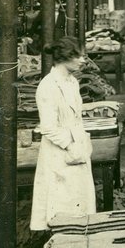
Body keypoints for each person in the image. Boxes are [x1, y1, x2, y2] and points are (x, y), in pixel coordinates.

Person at [30, 38, 96, 231]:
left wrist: (82, 143)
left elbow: (76, 117)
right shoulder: (48, 86)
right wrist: (70, 145)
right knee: (61, 204)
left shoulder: (72, 82)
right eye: (78, 55)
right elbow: (48, 127)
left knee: (79, 202)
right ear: (63, 57)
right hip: (59, 151)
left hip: (77, 147)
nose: (83, 60)